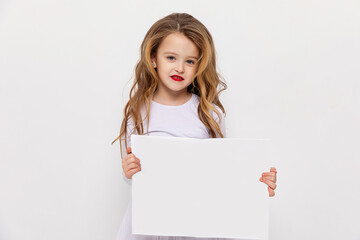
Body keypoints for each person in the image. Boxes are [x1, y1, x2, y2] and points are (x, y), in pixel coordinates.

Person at [112, 12, 278, 240]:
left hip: (193, 227)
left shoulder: (210, 114)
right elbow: (131, 178)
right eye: (171, 58)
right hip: (147, 226)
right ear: (153, 58)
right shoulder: (137, 112)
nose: (180, 68)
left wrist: (256, 184)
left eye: (190, 61)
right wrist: (128, 169)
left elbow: (222, 175)